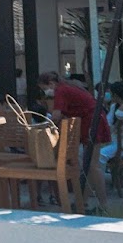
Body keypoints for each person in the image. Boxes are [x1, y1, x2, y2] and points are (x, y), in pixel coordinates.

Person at [37, 71, 111, 212]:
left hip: (92, 122)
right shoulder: (69, 86)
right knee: (88, 165)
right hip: (93, 120)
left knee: (93, 165)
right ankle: (82, 202)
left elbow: (56, 115)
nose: (45, 92)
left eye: (44, 88)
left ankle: (104, 205)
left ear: (51, 83)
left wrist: (44, 127)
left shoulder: (61, 91)